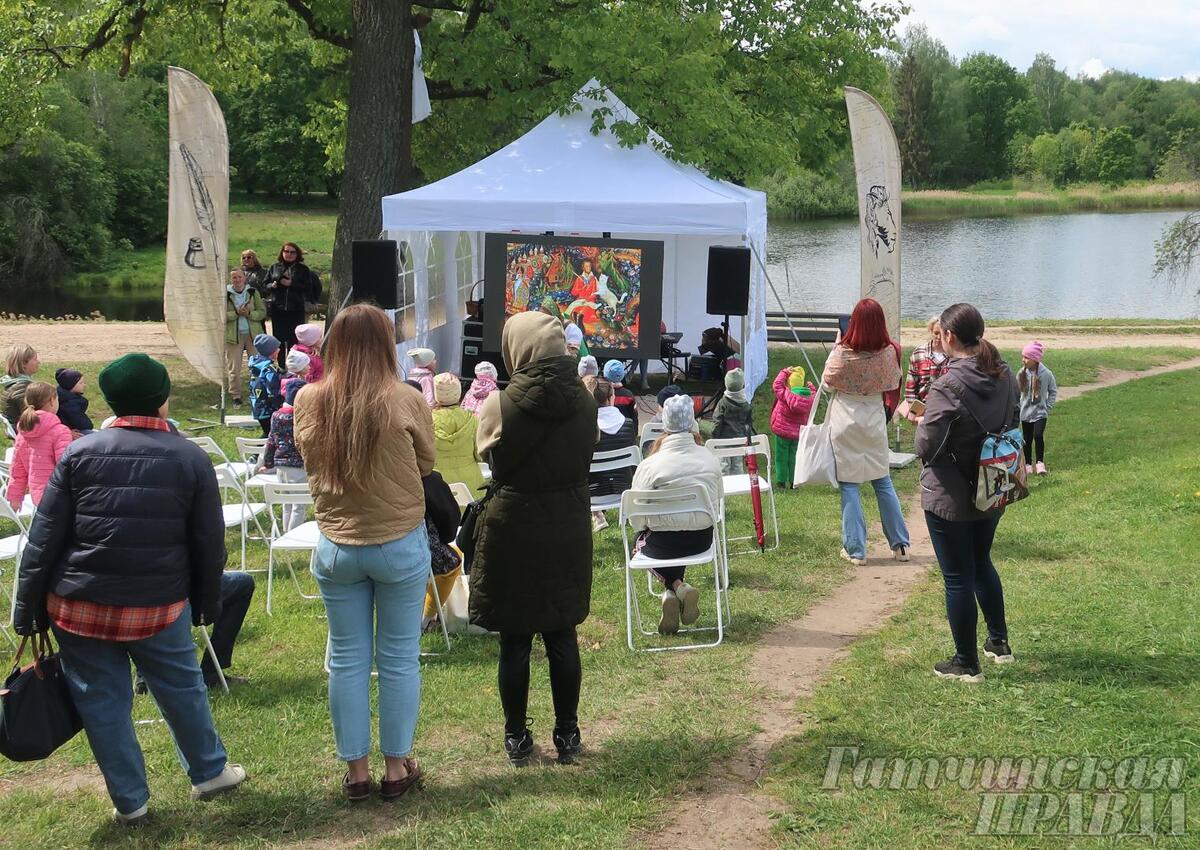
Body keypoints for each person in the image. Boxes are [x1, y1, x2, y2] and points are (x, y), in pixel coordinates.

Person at [12, 353, 244, 825]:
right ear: (162, 400)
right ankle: (209, 771)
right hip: (157, 605)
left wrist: (28, 608)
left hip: (78, 605)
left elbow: (43, 538)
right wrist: (206, 604)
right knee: (182, 687)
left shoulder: (79, 452)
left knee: (102, 702)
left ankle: (131, 802)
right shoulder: (190, 457)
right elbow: (208, 543)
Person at [294, 304, 435, 802]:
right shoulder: (405, 397)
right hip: (398, 540)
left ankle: (357, 773)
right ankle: (396, 767)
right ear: (384, 345)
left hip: (337, 544)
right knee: (399, 659)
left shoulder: (310, 399)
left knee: (347, 660)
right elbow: (427, 460)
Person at [470, 311, 596, 767]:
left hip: (515, 526)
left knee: (516, 637)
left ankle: (517, 737)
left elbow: (481, 452)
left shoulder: (499, 404)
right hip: (567, 523)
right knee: (562, 632)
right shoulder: (586, 400)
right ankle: (568, 733)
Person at [915, 303, 1020, 682]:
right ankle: (999, 643)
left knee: (958, 576)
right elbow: (1014, 420)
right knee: (981, 563)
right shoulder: (1005, 373)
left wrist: (919, 419)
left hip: (952, 492)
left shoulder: (948, 384)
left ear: (948, 337)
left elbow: (927, 446)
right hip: (994, 482)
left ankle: (966, 662)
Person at [822, 298, 910, 566]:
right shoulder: (889, 352)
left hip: (845, 420)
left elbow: (827, 382)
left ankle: (856, 549)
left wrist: (838, 344)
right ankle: (900, 546)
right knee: (882, 480)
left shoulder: (842, 352)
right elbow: (894, 381)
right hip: (873, 419)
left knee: (850, 485)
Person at [629, 395, 723, 635]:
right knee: (676, 531)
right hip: (701, 540)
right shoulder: (710, 460)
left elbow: (636, 518)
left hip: (662, 544)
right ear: (692, 422)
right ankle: (677, 588)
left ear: (665, 424)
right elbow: (718, 502)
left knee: (641, 541)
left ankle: (675, 587)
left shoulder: (650, 466)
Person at [135, 571, 256, 692]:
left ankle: (145, 675)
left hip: (132, 600)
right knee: (244, 584)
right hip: (178, 593)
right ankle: (211, 672)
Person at [6, 382, 72, 511]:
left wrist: (15, 497)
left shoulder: (23, 433)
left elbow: (17, 470)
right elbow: (65, 467)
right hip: (60, 495)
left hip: (38, 497)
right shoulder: (60, 431)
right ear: (52, 401)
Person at [583, 375, 636, 532]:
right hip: (625, 491)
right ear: (612, 397)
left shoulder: (584, 428)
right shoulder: (628, 425)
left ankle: (596, 515)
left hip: (591, 495)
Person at [261, 380, 308, 531]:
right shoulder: (300, 417)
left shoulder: (276, 415)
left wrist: (268, 463)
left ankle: (285, 532)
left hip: (280, 464)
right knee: (298, 505)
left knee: (286, 502)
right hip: (298, 466)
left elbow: (271, 440)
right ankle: (294, 535)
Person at [420, 470, 463, 633]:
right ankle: (425, 620)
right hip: (411, 554)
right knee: (453, 560)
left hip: (346, 549)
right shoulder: (427, 479)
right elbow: (449, 527)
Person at [263, 242, 320, 355]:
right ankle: (281, 366)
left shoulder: (303, 269)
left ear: (297, 254)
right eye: (286, 251)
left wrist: (291, 284)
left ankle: (294, 365)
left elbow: (308, 288)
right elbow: (264, 285)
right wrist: (272, 286)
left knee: (294, 339)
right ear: (282, 253)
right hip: (278, 309)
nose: (289, 254)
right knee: (278, 339)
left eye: (292, 252)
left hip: (296, 309)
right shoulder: (274, 267)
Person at [431, 372, 484, 494]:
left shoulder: (427, 421)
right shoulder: (472, 420)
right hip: (470, 485)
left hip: (438, 485)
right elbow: (479, 453)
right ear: (458, 393)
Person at [769, 366, 816, 489]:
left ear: (789, 383)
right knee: (794, 456)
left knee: (781, 456)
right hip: (797, 434)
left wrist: (784, 372)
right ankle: (793, 481)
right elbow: (815, 395)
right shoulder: (809, 398)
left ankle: (781, 481)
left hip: (782, 432)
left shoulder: (785, 394)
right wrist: (811, 387)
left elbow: (777, 385)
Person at [225, 268, 267, 406]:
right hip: (233, 335)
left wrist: (249, 313)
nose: (237, 280)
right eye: (234, 278)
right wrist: (236, 313)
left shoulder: (253, 292)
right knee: (234, 367)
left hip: (252, 334)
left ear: (245, 278)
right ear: (231, 279)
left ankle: (257, 392)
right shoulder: (225, 294)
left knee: (257, 365)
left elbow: (261, 313)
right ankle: (236, 395)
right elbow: (220, 316)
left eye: (239, 277)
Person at [1018, 341, 1057, 475]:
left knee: (1038, 435)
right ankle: (1028, 463)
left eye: (1026, 357)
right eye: (1023, 356)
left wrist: (1048, 406)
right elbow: (1018, 392)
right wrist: (1018, 406)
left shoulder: (1046, 374)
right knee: (1027, 439)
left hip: (1040, 412)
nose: (1023, 360)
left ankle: (1040, 463)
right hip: (1025, 413)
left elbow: (1053, 390)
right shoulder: (1021, 373)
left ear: (1035, 359)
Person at [710, 368, 754, 473]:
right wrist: (748, 440)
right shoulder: (745, 404)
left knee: (723, 465)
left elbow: (717, 422)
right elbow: (748, 425)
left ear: (726, 384)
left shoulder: (723, 403)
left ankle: (725, 487)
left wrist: (714, 436)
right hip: (739, 440)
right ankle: (738, 485)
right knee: (737, 465)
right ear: (742, 385)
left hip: (723, 441)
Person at [904, 316, 949, 410]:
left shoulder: (954, 355)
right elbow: (910, 387)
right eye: (936, 333)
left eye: (942, 334)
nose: (939, 337)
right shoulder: (918, 353)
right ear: (931, 331)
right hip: (923, 407)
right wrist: (913, 412)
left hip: (948, 408)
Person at [248, 334, 284, 437]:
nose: (279, 349)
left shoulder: (255, 364)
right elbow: (272, 391)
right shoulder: (269, 369)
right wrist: (280, 406)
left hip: (257, 405)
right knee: (271, 434)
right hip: (268, 409)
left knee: (268, 432)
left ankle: (256, 451)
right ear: (271, 352)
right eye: (277, 348)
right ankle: (255, 452)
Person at [2, 343, 39, 428]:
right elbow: (32, 419)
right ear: (23, 364)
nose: (38, 362)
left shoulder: (13, 384)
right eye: (35, 359)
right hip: (27, 433)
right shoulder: (22, 389)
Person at [54, 368, 94, 435]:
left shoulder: (61, 396)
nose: (84, 385)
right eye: (80, 383)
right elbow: (83, 424)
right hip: (70, 432)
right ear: (71, 385)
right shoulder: (71, 403)